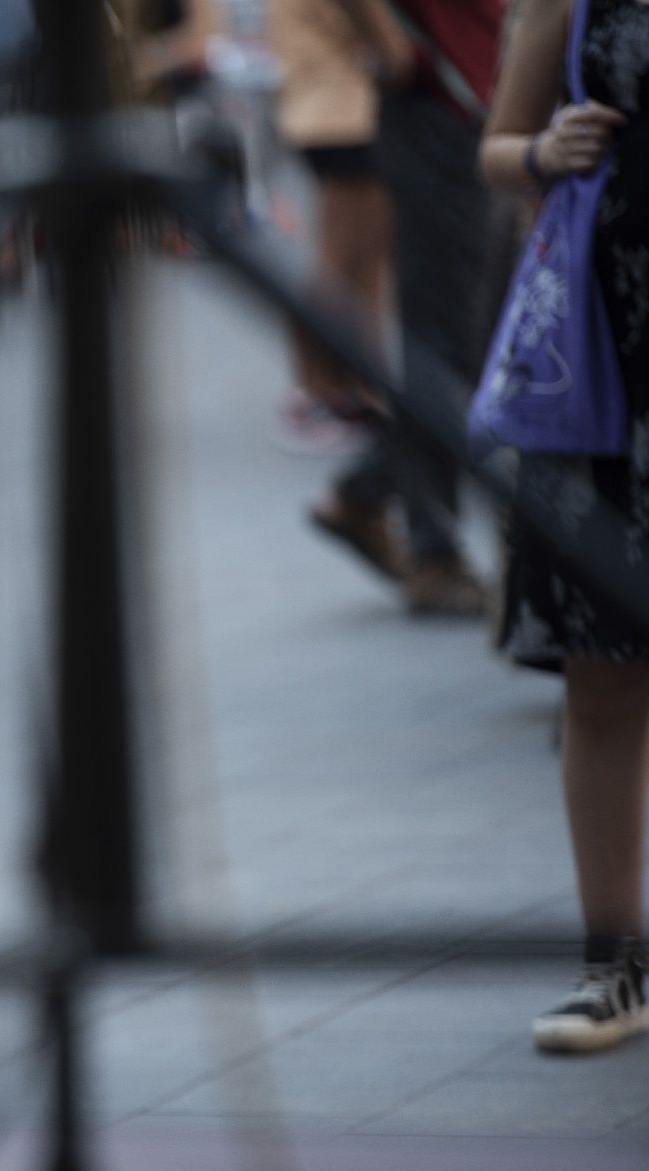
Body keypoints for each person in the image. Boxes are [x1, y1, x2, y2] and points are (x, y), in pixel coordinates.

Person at [480, 0, 647, 1053]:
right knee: (602, 665)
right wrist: (542, 147)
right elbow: (496, 147)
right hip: (605, 364)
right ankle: (611, 965)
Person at [311, 0, 501, 615]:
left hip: (483, 101)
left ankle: (370, 491)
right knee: (452, 342)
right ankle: (432, 551)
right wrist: (390, 46)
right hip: (444, 105)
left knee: (489, 342)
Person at [268, 0, 389, 457]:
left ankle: (357, 388)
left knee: (358, 261)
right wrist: (395, 55)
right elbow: (370, 27)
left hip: (321, 104)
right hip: (344, 109)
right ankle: (319, 390)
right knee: (342, 261)